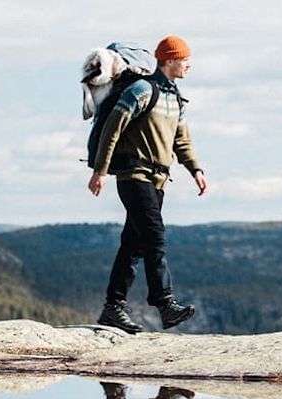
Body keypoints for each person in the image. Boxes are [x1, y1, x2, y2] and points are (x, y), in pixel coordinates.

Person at [87, 35, 207, 333]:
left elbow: (181, 140)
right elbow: (112, 130)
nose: (188, 65)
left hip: (158, 180)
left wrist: (196, 169)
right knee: (155, 238)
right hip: (134, 176)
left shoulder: (175, 98)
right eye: (185, 60)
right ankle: (165, 304)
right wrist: (101, 170)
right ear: (170, 60)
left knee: (133, 245)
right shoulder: (141, 90)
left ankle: (113, 308)